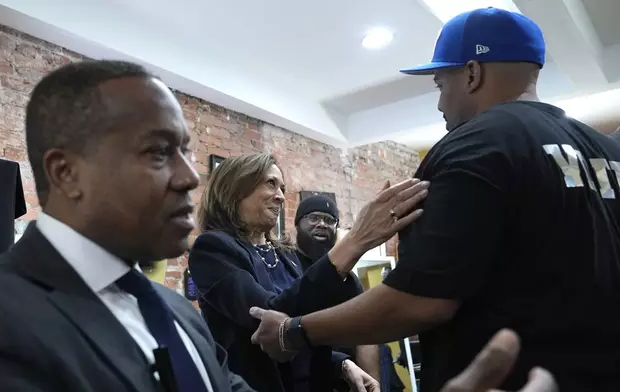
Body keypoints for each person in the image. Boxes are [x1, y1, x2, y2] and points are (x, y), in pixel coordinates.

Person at [249, 7, 620, 392]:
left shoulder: (476, 145)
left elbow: (421, 301)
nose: (441, 105)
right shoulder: (604, 150)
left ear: (473, 74)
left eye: (442, 85)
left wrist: (294, 331)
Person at [0, 60, 254, 392]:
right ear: (67, 173)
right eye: (157, 151)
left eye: (184, 152)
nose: (190, 178)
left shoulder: (177, 310)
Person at [188, 152, 429, 392]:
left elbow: (305, 323)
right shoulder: (212, 249)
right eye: (271, 184)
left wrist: (341, 363)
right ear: (235, 188)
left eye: (282, 187)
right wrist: (355, 241)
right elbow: (269, 318)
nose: (281, 196)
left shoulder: (286, 255)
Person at [294, 194, 381, 386]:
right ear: (298, 224)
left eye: (329, 220)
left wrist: (372, 383)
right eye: (314, 218)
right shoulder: (285, 264)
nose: (322, 224)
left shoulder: (348, 278)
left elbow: (365, 332)